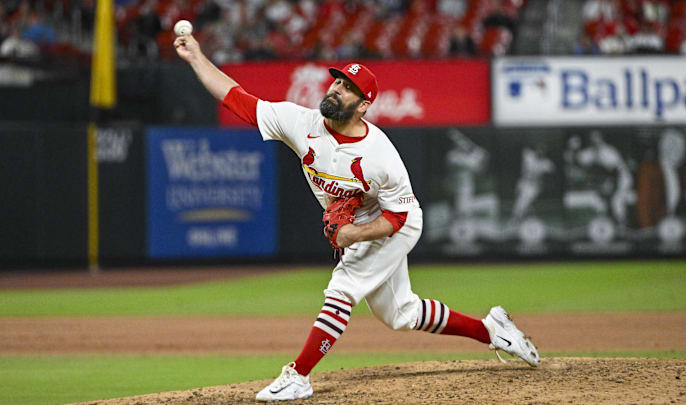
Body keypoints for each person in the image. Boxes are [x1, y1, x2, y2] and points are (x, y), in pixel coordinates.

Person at [174, 33, 539, 402]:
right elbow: (236, 98)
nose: (336, 90)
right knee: (401, 314)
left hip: (395, 222)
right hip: (363, 223)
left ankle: (298, 375)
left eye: (348, 89)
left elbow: (398, 217)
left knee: (343, 287)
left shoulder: (380, 155)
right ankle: (492, 330)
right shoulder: (301, 123)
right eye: (336, 81)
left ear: (364, 105)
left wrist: (354, 234)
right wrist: (197, 58)